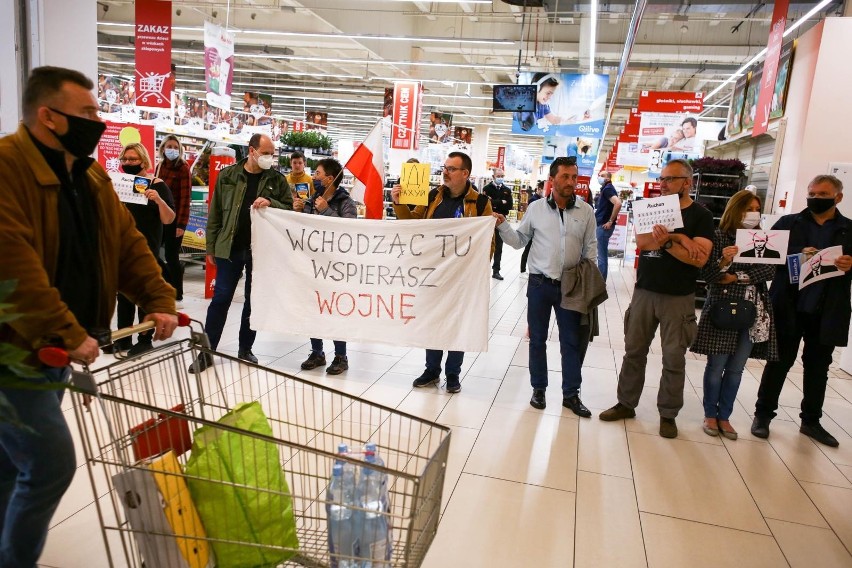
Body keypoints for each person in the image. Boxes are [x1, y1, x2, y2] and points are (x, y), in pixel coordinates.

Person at [0, 66, 178, 567]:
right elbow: (10, 262)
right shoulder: (7, 168)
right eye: (86, 112)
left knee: (9, 467)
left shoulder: (91, 174)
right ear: (48, 117)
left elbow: (127, 244)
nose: (97, 121)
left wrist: (158, 297)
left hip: (49, 350)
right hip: (12, 347)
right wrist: (66, 330)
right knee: (49, 464)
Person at [599, 159, 714, 439]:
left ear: (687, 183)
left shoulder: (701, 216)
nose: (662, 184)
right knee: (633, 351)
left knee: (674, 358)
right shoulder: (651, 207)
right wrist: (679, 240)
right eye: (661, 179)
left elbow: (699, 258)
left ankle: (668, 414)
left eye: (669, 180)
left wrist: (669, 238)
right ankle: (626, 403)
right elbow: (643, 243)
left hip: (679, 298)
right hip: (645, 292)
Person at [751, 175, 852, 447]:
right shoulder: (789, 223)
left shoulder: (848, 229)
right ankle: (763, 415)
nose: (816, 199)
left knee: (819, 367)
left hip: (827, 309)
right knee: (779, 362)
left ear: (838, 197)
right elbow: (764, 253)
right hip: (789, 305)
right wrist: (796, 253)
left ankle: (811, 421)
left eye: (823, 194)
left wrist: (849, 263)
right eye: (812, 193)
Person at [494, 157, 598, 416]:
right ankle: (538, 389)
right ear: (552, 179)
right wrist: (502, 225)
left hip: (571, 286)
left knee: (571, 342)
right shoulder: (536, 209)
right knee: (537, 339)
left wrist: (589, 282)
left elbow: (591, 249)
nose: (571, 182)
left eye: (574, 177)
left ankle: (571, 395)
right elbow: (520, 241)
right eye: (565, 176)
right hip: (540, 284)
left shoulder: (585, 212)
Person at [188, 134, 292, 372]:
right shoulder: (228, 176)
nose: (269, 157)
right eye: (265, 153)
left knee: (253, 301)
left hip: (261, 250)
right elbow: (215, 215)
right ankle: (206, 351)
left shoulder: (277, 180)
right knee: (221, 299)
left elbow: (289, 208)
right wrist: (211, 247)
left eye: (271, 153)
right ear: (252, 150)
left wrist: (272, 203)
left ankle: (246, 348)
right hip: (230, 247)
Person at [391, 151, 493, 394]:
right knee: (434, 320)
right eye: (445, 167)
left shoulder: (479, 203)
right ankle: (431, 370)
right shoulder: (432, 197)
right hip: (433, 273)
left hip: (462, 277)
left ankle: (453, 373)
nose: (445, 172)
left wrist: (479, 268)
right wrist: (398, 203)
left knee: (457, 324)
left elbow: (488, 240)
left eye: (452, 168)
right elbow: (412, 225)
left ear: (465, 173)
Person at [691, 190, 777, 440]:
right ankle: (710, 414)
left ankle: (725, 416)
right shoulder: (719, 236)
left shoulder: (763, 238)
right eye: (748, 208)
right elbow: (709, 275)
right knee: (716, 365)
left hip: (754, 310)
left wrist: (737, 276)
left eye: (756, 208)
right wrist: (723, 262)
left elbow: (769, 270)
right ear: (735, 209)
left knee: (737, 368)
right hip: (722, 308)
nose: (753, 213)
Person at [112, 142, 176, 355]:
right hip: (122, 247)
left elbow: (169, 219)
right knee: (124, 294)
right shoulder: (120, 184)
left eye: (133, 159)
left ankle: (145, 338)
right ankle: (123, 337)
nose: (128, 163)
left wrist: (158, 200)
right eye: (125, 159)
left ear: (143, 160)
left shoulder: (157, 185)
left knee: (143, 294)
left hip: (147, 247)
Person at [295, 158, 357, 375]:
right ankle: (317, 352)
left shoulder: (346, 203)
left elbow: (349, 233)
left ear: (330, 179)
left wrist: (327, 211)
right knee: (314, 308)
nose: (314, 176)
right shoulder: (312, 201)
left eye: (318, 173)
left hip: (336, 269)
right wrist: (298, 212)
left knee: (336, 310)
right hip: (314, 267)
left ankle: (341, 355)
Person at [155, 134, 191, 303]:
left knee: (171, 256)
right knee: (153, 253)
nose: (172, 150)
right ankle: (166, 285)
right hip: (160, 218)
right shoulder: (159, 166)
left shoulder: (183, 168)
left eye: (176, 147)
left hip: (175, 220)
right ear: (163, 149)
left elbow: (185, 199)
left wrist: (182, 224)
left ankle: (177, 292)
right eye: (169, 147)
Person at [483, 168, 513, 280]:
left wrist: (495, 202)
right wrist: (501, 202)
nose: (500, 178)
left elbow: (509, 205)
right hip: (489, 220)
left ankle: (496, 271)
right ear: (493, 176)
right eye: (498, 176)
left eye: (502, 176)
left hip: (501, 222)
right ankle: (484, 269)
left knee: (499, 247)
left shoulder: (507, 190)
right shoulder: (487, 188)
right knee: (487, 245)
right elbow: (486, 204)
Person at [594, 171, 621, 281]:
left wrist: (610, 221)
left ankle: (600, 282)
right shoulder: (607, 188)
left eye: (602, 176)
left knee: (601, 257)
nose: (599, 178)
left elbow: (618, 203)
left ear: (607, 178)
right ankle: (601, 280)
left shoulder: (607, 189)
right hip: (602, 226)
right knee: (602, 255)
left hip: (604, 227)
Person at [520, 182, 545, 274]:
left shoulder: (542, 199)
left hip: (537, 228)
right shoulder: (534, 200)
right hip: (532, 228)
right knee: (527, 249)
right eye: (542, 189)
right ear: (538, 189)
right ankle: (522, 269)